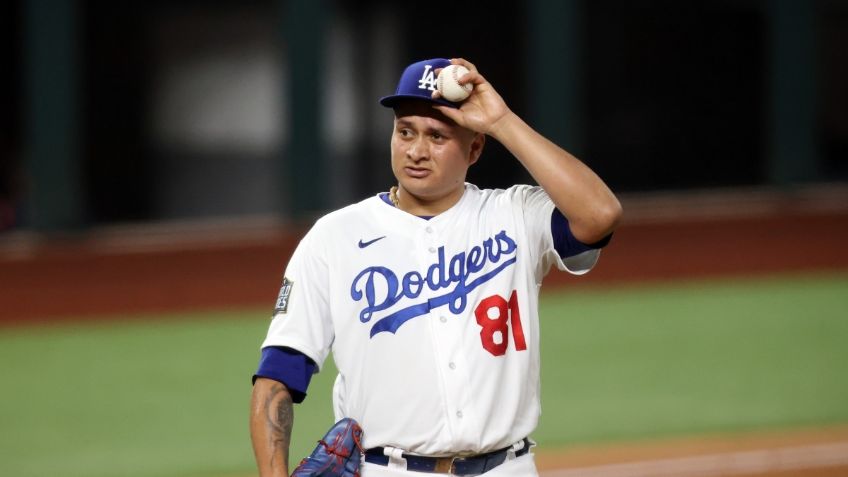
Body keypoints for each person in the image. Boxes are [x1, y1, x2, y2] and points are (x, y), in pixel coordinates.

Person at [250, 57, 622, 477]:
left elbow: (600, 214)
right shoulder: (334, 237)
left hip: (508, 468)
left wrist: (501, 120)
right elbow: (277, 378)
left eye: (437, 136)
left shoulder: (515, 215)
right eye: (405, 131)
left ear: (475, 147)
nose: (416, 151)